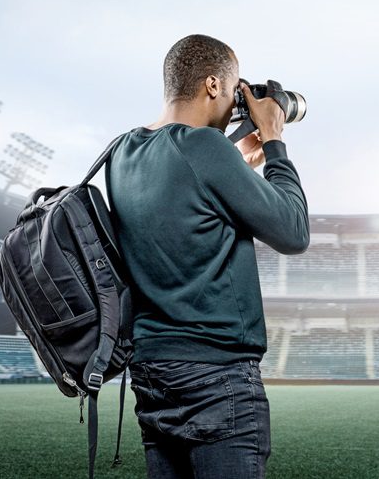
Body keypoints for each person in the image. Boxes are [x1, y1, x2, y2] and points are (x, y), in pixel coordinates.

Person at [105, 34, 309, 478]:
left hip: (153, 372)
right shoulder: (204, 147)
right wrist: (274, 140)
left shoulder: (122, 152)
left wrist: (237, 166)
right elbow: (294, 232)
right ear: (214, 86)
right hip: (216, 377)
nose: (239, 102)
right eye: (237, 92)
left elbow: (182, 205)